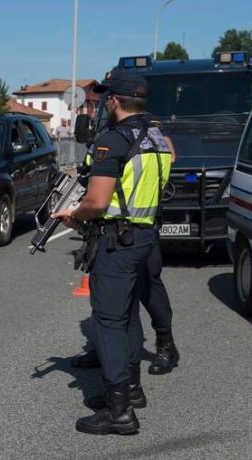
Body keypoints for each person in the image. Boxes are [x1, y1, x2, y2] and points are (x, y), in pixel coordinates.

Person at [52, 72, 172, 435]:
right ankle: (132, 391)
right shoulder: (158, 139)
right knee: (128, 315)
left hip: (117, 242)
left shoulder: (112, 140)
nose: (104, 104)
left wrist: (73, 214)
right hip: (145, 235)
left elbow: (97, 200)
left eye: (106, 99)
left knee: (109, 322)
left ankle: (119, 410)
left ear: (115, 101)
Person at [71, 119, 179, 377]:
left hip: (138, 226)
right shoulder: (106, 133)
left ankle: (166, 344)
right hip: (106, 226)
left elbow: (170, 155)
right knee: (104, 290)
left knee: (148, 284)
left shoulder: (147, 129)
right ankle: (106, 349)